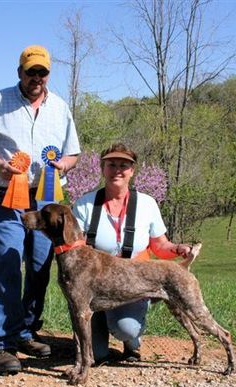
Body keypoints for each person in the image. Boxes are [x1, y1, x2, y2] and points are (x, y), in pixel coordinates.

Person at [0, 45, 80, 374]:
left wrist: (62, 165)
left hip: (45, 203)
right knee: (7, 260)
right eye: (30, 71)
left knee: (40, 267)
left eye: (42, 72)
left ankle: (27, 332)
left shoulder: (60, 108)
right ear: (20, 72)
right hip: (6, 196)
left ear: (48, 75)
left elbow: (73, 153)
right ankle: (3, 343)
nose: (36, 78)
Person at [72, 143, 191, 363]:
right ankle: (99, 333)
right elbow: (74, 249)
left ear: (132, 171)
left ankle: (131, 341)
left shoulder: (147, 204)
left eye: (124, 165)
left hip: (133, 283)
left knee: (125, 329)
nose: (117, 169)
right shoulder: (84, 204)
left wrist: (178, 249)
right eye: (111, 164)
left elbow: (159, 245)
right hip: (95, 288)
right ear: (102, 168)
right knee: (96, 355)